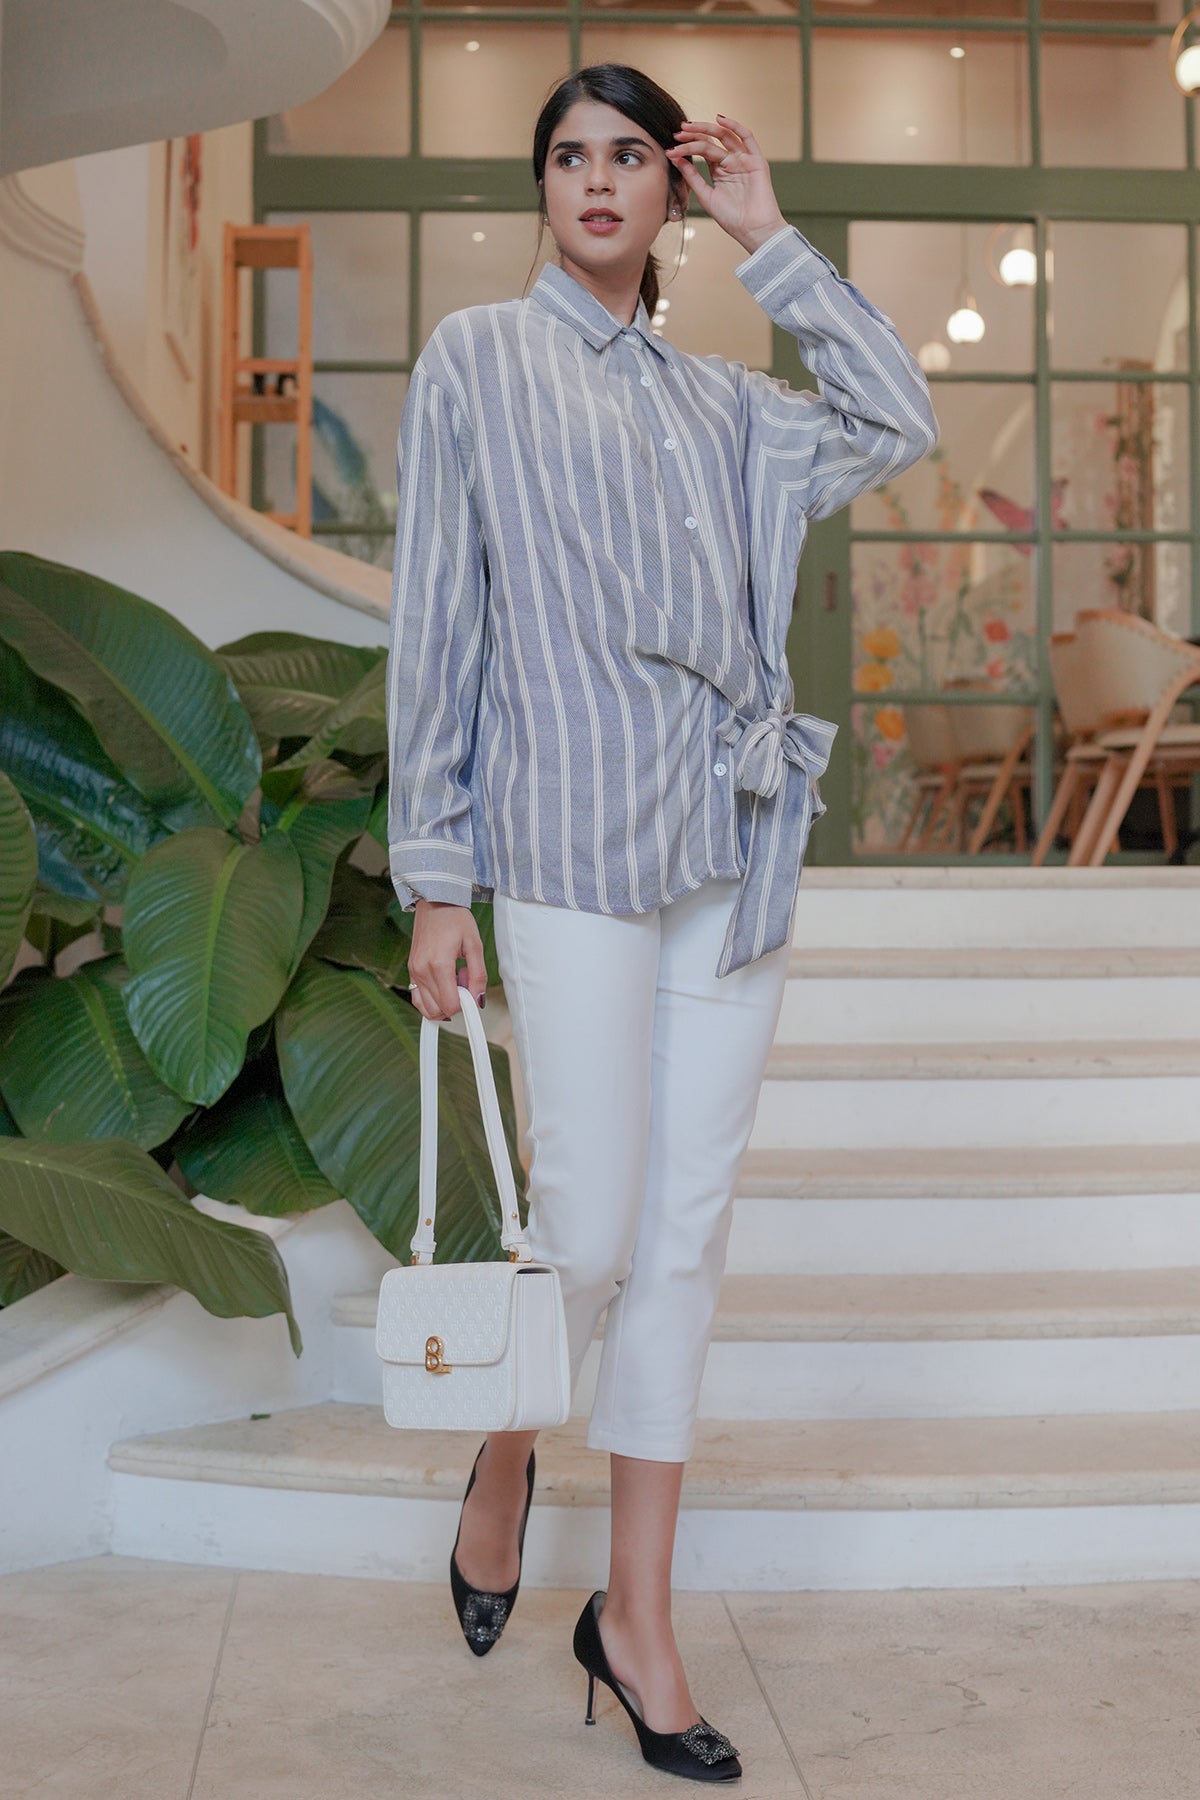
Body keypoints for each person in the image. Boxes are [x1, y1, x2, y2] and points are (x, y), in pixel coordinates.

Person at [385, 62, 938, 1784]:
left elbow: (898, 419)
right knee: (593, 1228)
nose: (601, 182)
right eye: (572, 157)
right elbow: (439, 622)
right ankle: (505, 1450)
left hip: (731, 848)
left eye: (634, 157)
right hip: (564, 841)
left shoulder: (729, 405)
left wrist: (768, 232)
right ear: (542, 188)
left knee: (684, 1238)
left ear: (670, 192)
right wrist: (437, 875)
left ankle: (636, 1617)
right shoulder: (478, 360)